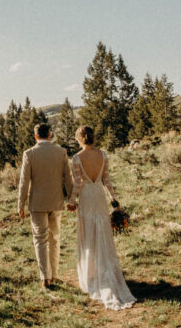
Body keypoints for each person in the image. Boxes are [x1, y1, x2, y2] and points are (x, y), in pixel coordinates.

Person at [66, 125, 136, 310]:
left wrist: (72, 201)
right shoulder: (103, 155)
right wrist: (115, 200)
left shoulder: (76, 158)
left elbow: (77, 184)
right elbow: (107, 181)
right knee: (102, 234)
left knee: (88, 236)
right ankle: (105, 272)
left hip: (87, 199)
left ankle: (91, 276)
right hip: (99, 196)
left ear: (79, 139)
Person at [17, 122, 74, 288]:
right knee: (54, 238)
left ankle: (45, 277)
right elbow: (68, 177)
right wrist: (71, 199)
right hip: (56, 202)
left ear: (35, 136)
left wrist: (21, 203)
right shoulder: (61, 152)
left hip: (37, 203)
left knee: (40, 240)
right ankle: (54, 275)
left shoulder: (29, 154)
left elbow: (24, 181)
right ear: (49, 135)